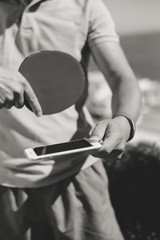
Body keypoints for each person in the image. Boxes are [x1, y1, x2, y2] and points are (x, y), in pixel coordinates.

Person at [0, 0, 141, 239]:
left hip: (76, 175)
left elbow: (121, 77)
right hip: (4, 182)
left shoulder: (86, 5)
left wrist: (123, 122)